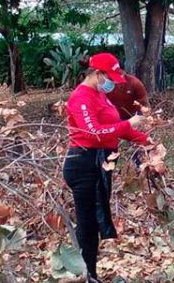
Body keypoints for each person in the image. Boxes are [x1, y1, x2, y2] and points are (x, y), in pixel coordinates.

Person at [63, 53, 153, 282]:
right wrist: (127, 123)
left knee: (96, 220)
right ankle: (88, 275)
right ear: (97, 74)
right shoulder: (81, 97)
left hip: (100, 162)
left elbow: (116, 128)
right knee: (88, 223)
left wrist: (146, 141)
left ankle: (90, 273)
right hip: (84, 163)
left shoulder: (100, 95)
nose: (112, 82)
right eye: (110, 78)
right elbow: (92, 132)